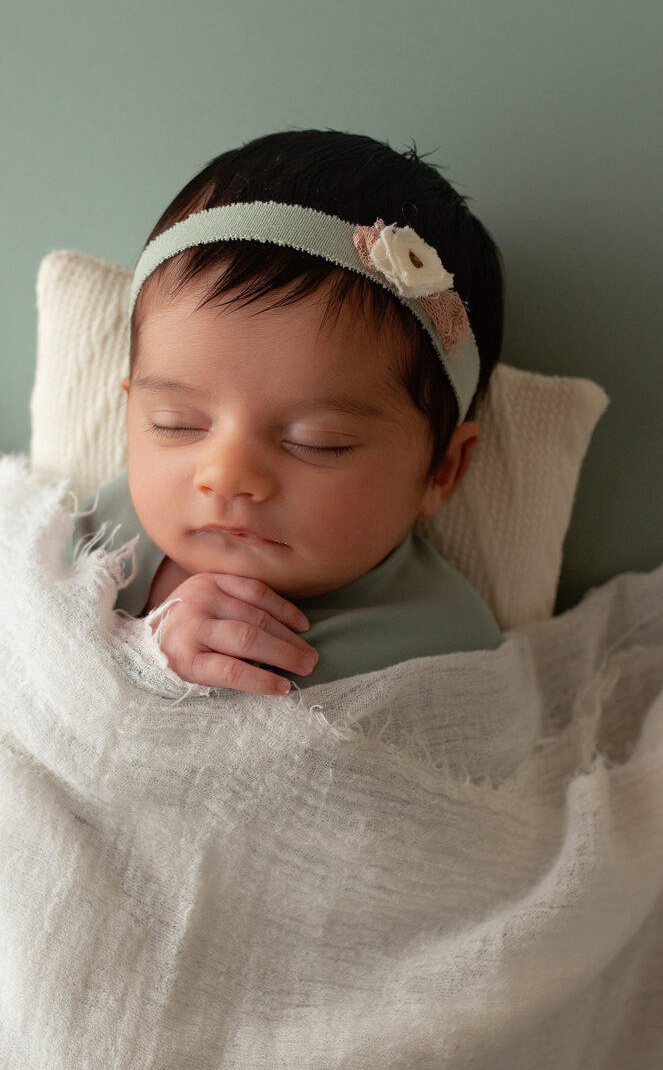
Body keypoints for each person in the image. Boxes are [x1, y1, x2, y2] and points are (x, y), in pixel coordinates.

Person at [69, 129, 507, 693]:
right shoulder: (102, 537)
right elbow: (17, 643)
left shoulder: (444, 648)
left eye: (318, 441)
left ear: (442, 471)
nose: (225, 474)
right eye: (176, 425)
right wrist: (145, 645)